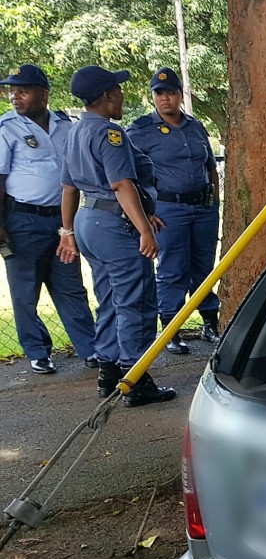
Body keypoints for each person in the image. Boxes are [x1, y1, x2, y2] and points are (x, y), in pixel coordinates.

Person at [56, 65, 175, 406]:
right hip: (113, 225)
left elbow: (68, 187)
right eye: (118, 91)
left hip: (87, 221)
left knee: (109, 297)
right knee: (135, 301)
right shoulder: (110, 134)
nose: (122, 96)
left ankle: (108, 371)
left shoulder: (74, 132)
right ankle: (136, 379)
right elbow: (121, 184)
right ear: (107, 96)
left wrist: (67, 231)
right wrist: (144, 230)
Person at [0, 64, 98, 375]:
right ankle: (38, 351)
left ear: (43, 94)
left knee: (71, 286)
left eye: (23, 91)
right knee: (26, 291)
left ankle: (90, 348)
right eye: (12, 91)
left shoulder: (66, 125)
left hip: (62, 221)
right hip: (23, 220)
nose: (15, 96)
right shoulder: (6, 128)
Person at [127, 67, 221, 353]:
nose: (165, 99)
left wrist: (215, 200)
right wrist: (146, 208)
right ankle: (171, 329)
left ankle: (210, 322)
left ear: (181, 95)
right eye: (159, 93)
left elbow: (210, 167)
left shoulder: (195, 126)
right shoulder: (141, 130)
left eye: (170, 93)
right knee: (172, 269)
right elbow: (127, 173)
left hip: (203, 207)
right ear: (152, 97)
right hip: (168, 209)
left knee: (204, 268)